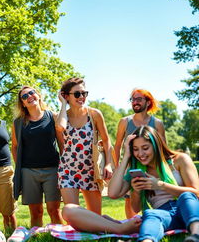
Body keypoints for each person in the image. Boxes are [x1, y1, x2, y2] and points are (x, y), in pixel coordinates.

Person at [109, 125, 199, 242]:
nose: (140, 154)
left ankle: (196, 234)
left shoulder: (179, 160)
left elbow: (196, 193)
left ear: (156, 146)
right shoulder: (136, 169)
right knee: (150, 214)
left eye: (145, 148)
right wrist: (126, 156)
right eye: (135, 149)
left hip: (188, 208)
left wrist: (161, 185)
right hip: (164, 213)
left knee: (186, 196)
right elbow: (113, 194)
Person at [56, 77, 113, 215]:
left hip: (91, 171)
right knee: (72, 214)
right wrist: (63, 104)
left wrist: (108, 164)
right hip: (67, 171)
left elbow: (106, 140)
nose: (81, 97)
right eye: (77, 94)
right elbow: (60, 130)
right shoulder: (61, 117)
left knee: (95, 217)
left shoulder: (94, 114)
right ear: (66, 96)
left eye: (84, 93)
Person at [11, 85, 62, 227]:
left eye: (31, 93)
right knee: (36, 212)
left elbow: (62, 143)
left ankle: (59, 237)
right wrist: (20, 167)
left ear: (38, 95)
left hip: (52, 170)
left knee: (54, 210)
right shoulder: (18, 123)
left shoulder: (52, 116)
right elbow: (14, 147)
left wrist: (64, 166)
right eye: (25, 96)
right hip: (29, 172)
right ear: (22, 103)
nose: (29, 97)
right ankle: (37, 237)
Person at [114, 88, 165, 218]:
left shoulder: (157, 123)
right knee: (130, 197)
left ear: (148, 102)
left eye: (139, 99)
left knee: (152, 196)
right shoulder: (124, 122)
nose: (135, 102)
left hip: (152, 168)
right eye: (133, 99)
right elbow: (118, 145)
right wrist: (117, 167)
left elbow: (163, 149)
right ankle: (131, 226)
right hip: (130, 167)